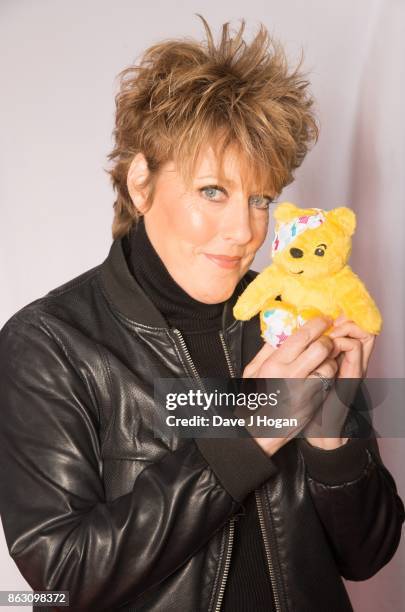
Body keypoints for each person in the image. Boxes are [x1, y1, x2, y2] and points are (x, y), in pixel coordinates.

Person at [0, 16, 403, 612]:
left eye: (260, 198)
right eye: (213, 191)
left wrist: (330, 432)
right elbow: (63, 577)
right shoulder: (50, 344)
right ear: (142, 182)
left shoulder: (294, 318)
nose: (244, 231)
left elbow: (367, 555)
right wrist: (252, 430)